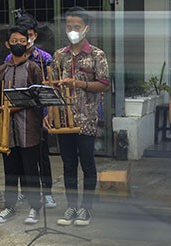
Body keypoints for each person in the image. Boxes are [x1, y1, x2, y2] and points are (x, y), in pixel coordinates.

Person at [48, 7, 110, 227]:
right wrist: (50, 113)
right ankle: (71, 207)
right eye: (69, 27)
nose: (72, 31)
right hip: (63, 119)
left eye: (77, 27)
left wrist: (80, 84)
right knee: (68, 164)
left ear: (86, 28)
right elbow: (53, 87)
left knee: (87, 163)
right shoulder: (59, 55)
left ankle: (86, 208)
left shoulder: (96, 55)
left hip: (86, 119)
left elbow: (104, 84)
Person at [0, 26, 45, 225]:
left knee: (31, 171)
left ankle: (34, 208)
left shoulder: (33, 68)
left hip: (28, 129)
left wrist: (18, 106)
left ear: (28, 42)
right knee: (10, 170)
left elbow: (39, 98)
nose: (19, 44)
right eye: (14, 41)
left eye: (23, 41)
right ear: (7, 44)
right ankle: (9, 207)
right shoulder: (1, 71)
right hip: (7, 130)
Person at [6, 14, 58, 210]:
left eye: (27, 36)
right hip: (18, 113)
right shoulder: (9, 59)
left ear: (34, 35)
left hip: (40, 113)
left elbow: (51, 87)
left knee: (42, 155)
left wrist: (49, 112)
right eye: (18, 38)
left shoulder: (45, 58)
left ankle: (48, 192)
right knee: (20, 155)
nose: (23, 41)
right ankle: (25, 191)